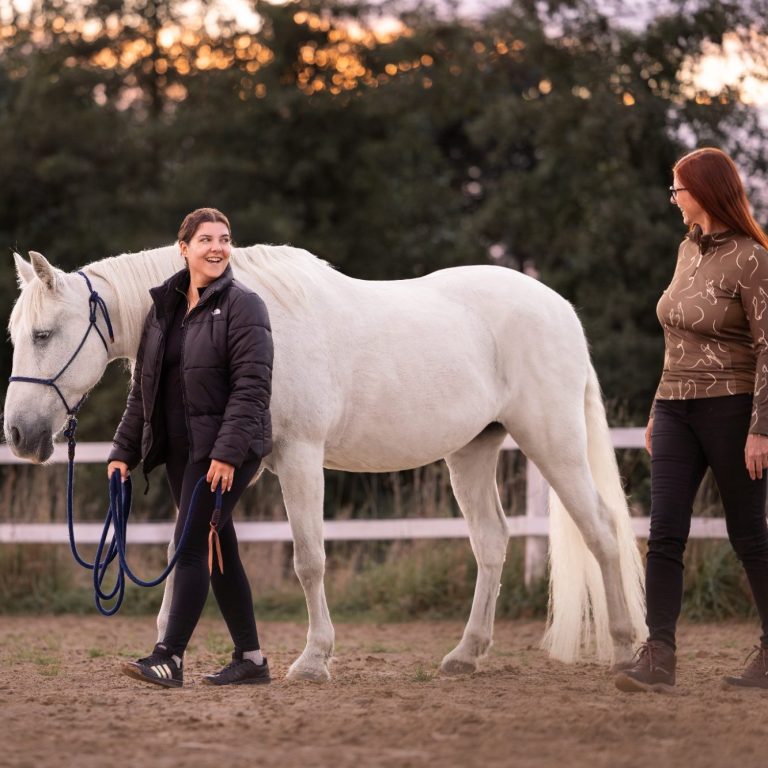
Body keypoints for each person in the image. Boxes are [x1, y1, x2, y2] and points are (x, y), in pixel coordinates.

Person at [614, 148, 768, 693]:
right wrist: (660, 404)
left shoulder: (752, 258)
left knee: (749, 535)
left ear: (703, 191)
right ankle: (659, 655)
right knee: (663, 532)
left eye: (677, 188)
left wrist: (762, 426)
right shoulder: (686, 251)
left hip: (731, 406)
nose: (673, 197)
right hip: (675, 405)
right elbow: (674, 336)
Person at [108, 207, 274, 688]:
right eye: (206, 239)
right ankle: (252, 659)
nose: (217, 247)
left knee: (190, 547)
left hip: (226, 450)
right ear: (183, 248)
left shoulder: (245, 306)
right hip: (183, 450)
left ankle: (169, 657)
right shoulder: (162, 309)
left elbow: (251, 388)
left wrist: (225, 453)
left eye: (225, 238)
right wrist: (123, 451)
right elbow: (144, 387)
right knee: (219, 545)